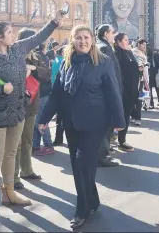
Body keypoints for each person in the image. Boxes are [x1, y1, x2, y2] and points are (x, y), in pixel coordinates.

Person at [0, 12, 62, 219]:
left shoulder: (17, 49)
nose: (13, 35)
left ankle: (9, 192)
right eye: (9, 32)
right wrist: (0, 89)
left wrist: (54, 22)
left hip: (17, 113)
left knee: (11, 154)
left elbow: (38, 38)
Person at [38, 25, 125, 229]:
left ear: (92, 40)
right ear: (72, 40)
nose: (83, 41)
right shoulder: (66, 63)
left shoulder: (102, 62)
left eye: (86, 37)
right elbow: (57, 93)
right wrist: (44, 118)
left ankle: (82, 209)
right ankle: (92, 200)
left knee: (82, 166)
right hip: (71, 123)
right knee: (80, 167)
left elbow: (113, 92)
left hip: (95, 123)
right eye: (78, 38)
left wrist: (119, 121)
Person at [13, 29, 44, 191]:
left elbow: (46, 74)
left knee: (27, 140)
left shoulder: (37, 57)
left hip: (32, 103)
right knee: (15, 143)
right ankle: (14, 177)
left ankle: (27, 170)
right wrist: (23, 68)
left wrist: (33, 67)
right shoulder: (13, 54)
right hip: (16, 104)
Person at [95, 24, 122, 166]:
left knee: (106, 127)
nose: (114, 35)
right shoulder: (104, 48)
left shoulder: (104, 46)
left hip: (108, 92)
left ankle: (103, 154)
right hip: (107, 94)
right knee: (105, 127)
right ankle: (101, 157)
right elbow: (109, 74)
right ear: (106, 34)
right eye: (112, 32)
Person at [113, 32, 139, 151]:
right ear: (118, 41)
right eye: (125, 40)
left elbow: (133, 68)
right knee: (118, 116)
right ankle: (111, 140)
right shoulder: (115, 54)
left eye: (128, 40)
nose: (128, 42)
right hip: (122, 90)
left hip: (132, 90)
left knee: (126, 116)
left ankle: (122, 140)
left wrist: (139, 68)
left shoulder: (129, 52)